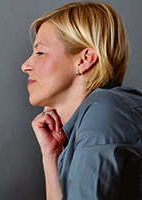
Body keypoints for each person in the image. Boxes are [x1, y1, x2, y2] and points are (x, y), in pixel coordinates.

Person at [21, 1, 142, 200]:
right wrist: (51, 156)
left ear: (85, 59)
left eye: (40, 52)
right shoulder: (81, 127)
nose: (25, 65)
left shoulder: (104, 109)